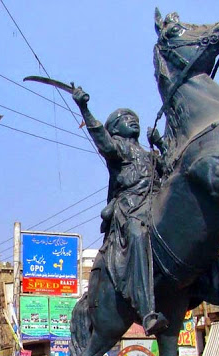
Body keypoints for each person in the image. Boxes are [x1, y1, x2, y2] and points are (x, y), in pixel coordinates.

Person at [72, 86, 168, 336]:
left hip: (156, 203)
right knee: (137, 235)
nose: (132, 122)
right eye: (126, 120)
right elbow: (101, 140)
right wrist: (84, 107)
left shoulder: (150, 155)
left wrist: (161, 144)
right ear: (115, 129)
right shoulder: (118, 150)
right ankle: (147, 312)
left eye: (135, 119)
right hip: (131, 210)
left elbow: (170, 169)